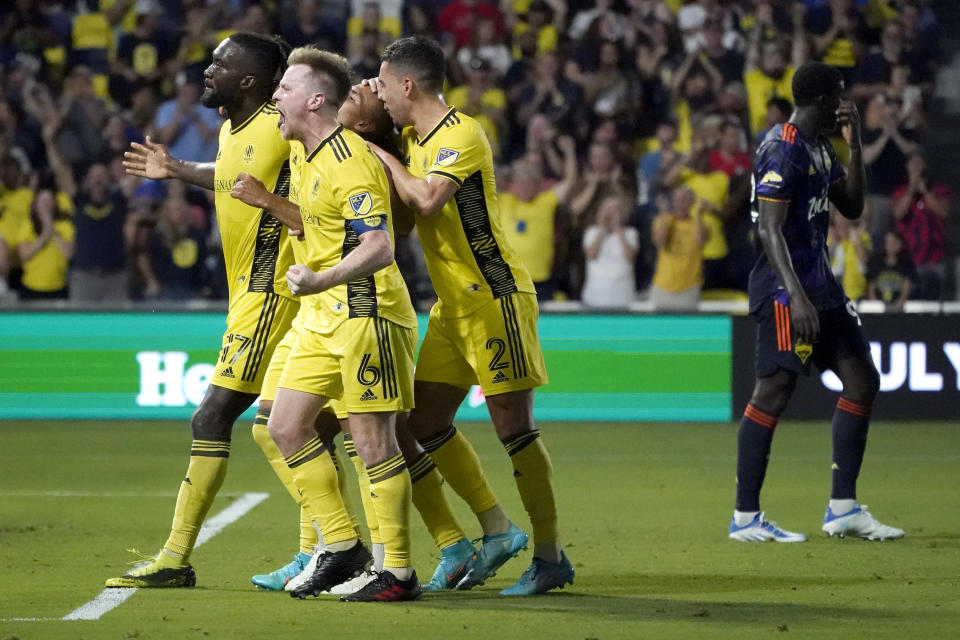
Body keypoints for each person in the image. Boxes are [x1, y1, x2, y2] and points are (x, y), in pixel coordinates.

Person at [370, 36, 574, 595]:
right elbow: (409, 221)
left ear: (407, 84)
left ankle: (551, 556)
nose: (381, 94)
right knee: (418, 426)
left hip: (495, 299)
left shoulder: (462, 133)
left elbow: (429, 200)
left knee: (515, 428)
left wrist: (379, 156)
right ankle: (497, 530)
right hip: (451, 308)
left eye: (384, 84)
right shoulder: (414, 139)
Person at [105, 32, 301, 588]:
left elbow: (303, 187)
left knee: (213, 417)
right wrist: (175, 169)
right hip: (247, 294)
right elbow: (226, 176)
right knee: (286, 429)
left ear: (250, 80)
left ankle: (175, 557)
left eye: (221, 62)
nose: (207, 68)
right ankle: (328, 545)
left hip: (270, 293)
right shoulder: (231, 128)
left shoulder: (279, 126)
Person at [264, 47, 421, 603]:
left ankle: (398, 572)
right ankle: (342, 547)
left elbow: (380, 247)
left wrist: (321, 279)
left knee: (373, 441)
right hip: (323, 319)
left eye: (284, 88)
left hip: (366, 313)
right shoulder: (306, 154)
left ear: (314, 99)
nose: (274, 96)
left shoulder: (349, 160)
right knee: (283, 427)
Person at [730, 61, 903, 543]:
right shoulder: (782, 149)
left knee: (862, 381)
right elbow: (768, 228)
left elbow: (851, 206)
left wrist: (856, 144)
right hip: (788, 293)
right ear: (824, 100)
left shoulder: (821, 148)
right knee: (773, 392)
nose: (846, 102)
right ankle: (745, 517)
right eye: (841, 95)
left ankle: (843, 509)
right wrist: (798, 298)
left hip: (821, 288)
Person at [649, 187, 707, 311]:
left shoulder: (699, 223)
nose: (680, 204)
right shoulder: (663, 220)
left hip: (689, 288)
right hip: (663, 287)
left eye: (684, 199)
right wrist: (665, 215)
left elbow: (700, 241)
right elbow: (659, 242)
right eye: (676, 200)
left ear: (691, 202)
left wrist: (699, 215)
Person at [581, 195, 639, 308]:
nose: (610, 213)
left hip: (623, 296)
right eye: (607, 209)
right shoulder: (591, 232)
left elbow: (630, 257)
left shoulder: (630, 233)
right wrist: (602, 230)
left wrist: (618, 229)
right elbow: (591, 254)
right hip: (595, 296)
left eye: (615, 209)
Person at [866, 230, 915, 311]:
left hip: (899, 306)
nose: (890, 245)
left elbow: (908, 284)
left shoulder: (906, 264)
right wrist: (875, 305)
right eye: (888, 242)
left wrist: (900, 302)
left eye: (893, 242)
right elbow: (871, 285)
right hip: (878, 306)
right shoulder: (877, 262)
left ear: (900, 244)